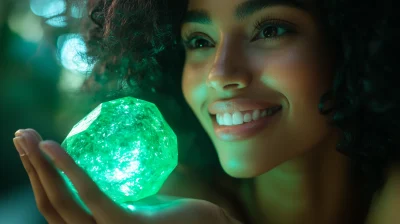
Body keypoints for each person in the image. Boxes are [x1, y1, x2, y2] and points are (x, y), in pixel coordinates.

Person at [12, 0, 400, 223]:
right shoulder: (163, 206)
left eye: (271, 30)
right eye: (199, 40)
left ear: (352, 45)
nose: (221, 73)